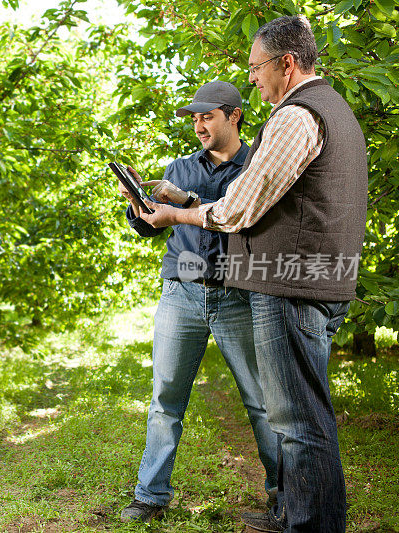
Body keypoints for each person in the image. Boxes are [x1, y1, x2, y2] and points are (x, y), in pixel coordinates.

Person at [138, 15, 368, 533]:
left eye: (257, 67)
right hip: (313, 279)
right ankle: (295, 513)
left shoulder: (295, 116)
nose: (255, 77)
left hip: (289, 285)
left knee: (297, 421)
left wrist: (177, 214)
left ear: (286, 64)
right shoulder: (335, 113)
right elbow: (265, 202)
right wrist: (188, 203)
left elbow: (240, 209)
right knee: (300, 415)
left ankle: (307, 524)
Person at [117, 80, 279, 523]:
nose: (199, 125)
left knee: (263, 403)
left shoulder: (258, 166)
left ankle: (282, 495)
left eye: (207, 116)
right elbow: (154, 225)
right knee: (165, 400)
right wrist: (137, 207)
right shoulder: (180, 167)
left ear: (234, 115)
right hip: (181, 291)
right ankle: (150, 496)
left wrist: (185, 202)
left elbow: (238, 217)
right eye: (194, 118)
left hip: (236, 296)